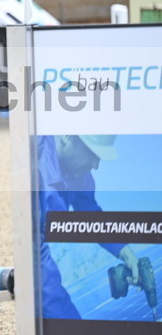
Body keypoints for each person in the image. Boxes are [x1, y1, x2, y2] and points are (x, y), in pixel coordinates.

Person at [37, 134, 140, 318]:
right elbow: (37, 260)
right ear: (68, 138)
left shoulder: (80, 176)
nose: (96, 165)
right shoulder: (34, 168)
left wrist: (124, 251)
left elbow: (90, 216)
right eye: (92, 154)